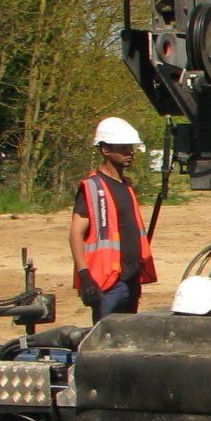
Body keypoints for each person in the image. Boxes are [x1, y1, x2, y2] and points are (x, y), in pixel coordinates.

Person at [71, 117, 157, 322]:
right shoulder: (93, 188)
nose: (130, 152)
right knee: (105, 341)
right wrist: (84, 276)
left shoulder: (127, 186)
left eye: (131, 147)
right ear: (105, 150)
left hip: (131, 278)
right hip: (108, 283)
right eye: (123, 147)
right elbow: (75, 234)